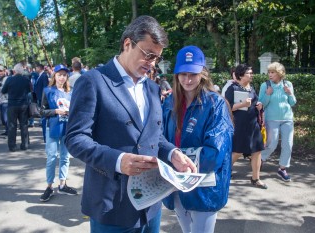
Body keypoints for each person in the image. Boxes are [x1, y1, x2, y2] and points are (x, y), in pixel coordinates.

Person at [64, 15, 196, 232]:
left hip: (150, 205)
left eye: (157, 58)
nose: (152, 64)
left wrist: (172, 153)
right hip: (112, 205)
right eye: (148, 55)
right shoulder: (93, 81)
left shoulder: (152, 89)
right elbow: (75, 138)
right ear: (128, 44)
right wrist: (118, 160)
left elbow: (155, 136)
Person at [162, 45, 234, 233]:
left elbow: (216, 151)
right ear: (176, 74)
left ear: (202, 73)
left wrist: (181, 166)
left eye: (193, 74)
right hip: (176, 181)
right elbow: (161, 138)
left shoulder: (215, 104)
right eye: (183, 74)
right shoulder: (169, 103)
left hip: (203, 185)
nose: (187, 79)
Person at [225, 64, 267, 189]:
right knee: (237, 151)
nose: (251, 74)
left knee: (257, 151)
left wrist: (259, 105)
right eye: (249, 72)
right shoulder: (232, 88)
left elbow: (255, 101)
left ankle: (256, 178)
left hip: (253, 125)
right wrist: (242, 104)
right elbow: (227, 108)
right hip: (239, 125)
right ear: (241, 75)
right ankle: (223, 172)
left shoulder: (251, 88)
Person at [39, 64, 77, 202]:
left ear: (67, 77)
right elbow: (41, 111)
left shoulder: (71, 91)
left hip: (67, 128)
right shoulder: (48, 90)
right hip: (53, 127)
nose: (62, 77)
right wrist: (56, 111)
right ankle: (49, 186)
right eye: (59, 74)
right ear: (54, 75)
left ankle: (62, 184)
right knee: (51, 157)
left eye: (64, 75)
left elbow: (76, 109)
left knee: (65, 157)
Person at [258, 62, 297, 182]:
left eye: (272, 72)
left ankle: (282, 168)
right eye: (269, 72)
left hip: (287, 119)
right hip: (271, 119)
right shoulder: (265, 85)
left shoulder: (288, 84)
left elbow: (293, 103)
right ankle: (260, 159)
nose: (270, 74)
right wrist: (268, 94)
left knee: (288, 144)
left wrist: (290, 93)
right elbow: (261, 104)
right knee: (272, 144)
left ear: (279, 73)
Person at [1, 63, 31, 152]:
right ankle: (24, 144)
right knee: (24, 125)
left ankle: (12, 146)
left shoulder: (9, 79)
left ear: (14, 71)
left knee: (11, 126)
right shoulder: (26, 80)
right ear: (22, 71)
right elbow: (29, 90)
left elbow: (3, 91)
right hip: (23, 105)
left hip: (12, 105)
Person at [34, 64, 49, 142]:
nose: (35, 69)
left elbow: (45, 87)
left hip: (42, 99)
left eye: (36, 67)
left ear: (39, 68)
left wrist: (43, 99)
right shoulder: (40, 75)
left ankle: (46, 137)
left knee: (43, 116)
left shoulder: (44, 76)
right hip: (39, 97)